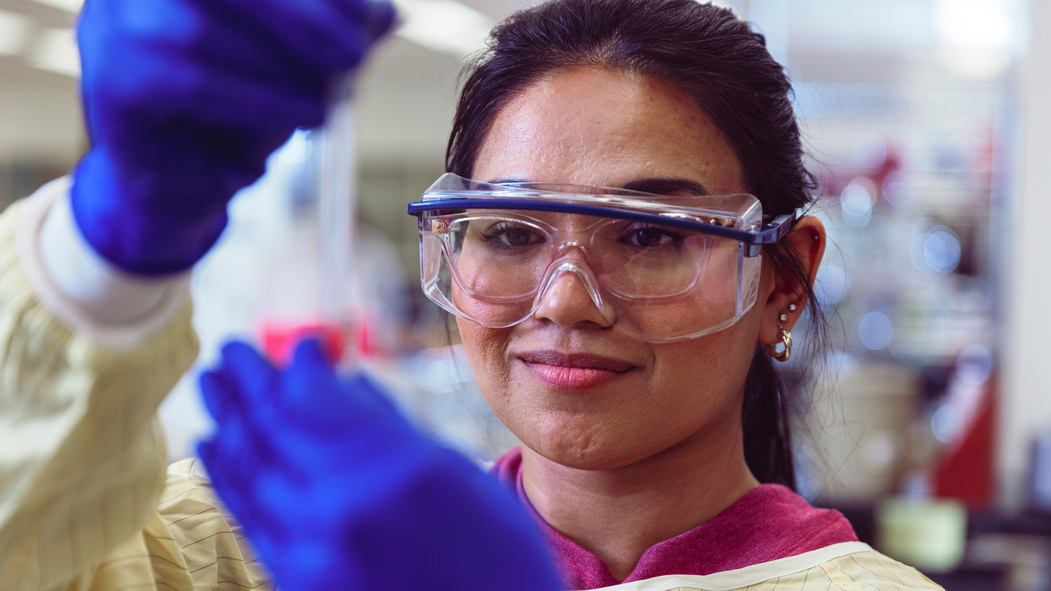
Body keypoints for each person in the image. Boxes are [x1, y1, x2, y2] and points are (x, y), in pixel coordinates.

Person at [0, 0, 944, 590]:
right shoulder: (271, 541)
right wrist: (104, 255)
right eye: (509, 233)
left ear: (783, 278)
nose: (566, 300)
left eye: (653, 235)